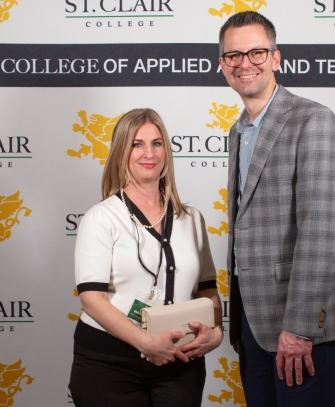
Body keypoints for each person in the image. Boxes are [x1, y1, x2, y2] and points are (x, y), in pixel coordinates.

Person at [219, 11, 335, 406]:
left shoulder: (313, 119)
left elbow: (321, 231)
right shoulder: (238, 130)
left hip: (300, 325)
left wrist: (299, 328)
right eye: (233, 55)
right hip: (252, 319)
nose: (245, 63)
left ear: (276, 58)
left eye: (256, 52)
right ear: (222, 64)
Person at [69, 108, 223, 407]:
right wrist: (147, 344)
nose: (148, 153)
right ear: (121, 152)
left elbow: (207, 291)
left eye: (157, 143)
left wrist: (216, 332)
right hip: (109, 364)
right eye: (137, 144)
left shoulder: (191, 218)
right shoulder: (101, 217)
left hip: (180, 361)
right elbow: (91, 300)